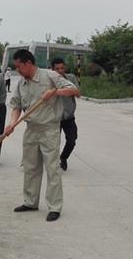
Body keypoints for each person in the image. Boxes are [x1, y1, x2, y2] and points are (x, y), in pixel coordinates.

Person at [4, 49, 79, 222]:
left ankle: (54, 207)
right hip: (31, 129)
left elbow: (73, 90)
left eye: (19, 67)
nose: (17, 70)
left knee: (52, 169)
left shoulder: (50, 76)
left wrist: (55, 92)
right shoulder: (22, 83)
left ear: (28, 63)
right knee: (30, 168)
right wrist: (11, 124)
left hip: (49, 129)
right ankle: (30, 202)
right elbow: (16, 106)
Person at [51, 57, 80, 171]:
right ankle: (53, 163)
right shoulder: (49, 81)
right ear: (52, 69)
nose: (60, 71)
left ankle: (63, 157)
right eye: (57, 69)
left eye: (62, 68)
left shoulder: (71, 78)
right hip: (54, 118)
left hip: (68, 117)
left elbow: (78, 93)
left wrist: (63, 90)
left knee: (72, 140)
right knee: (53, 143)